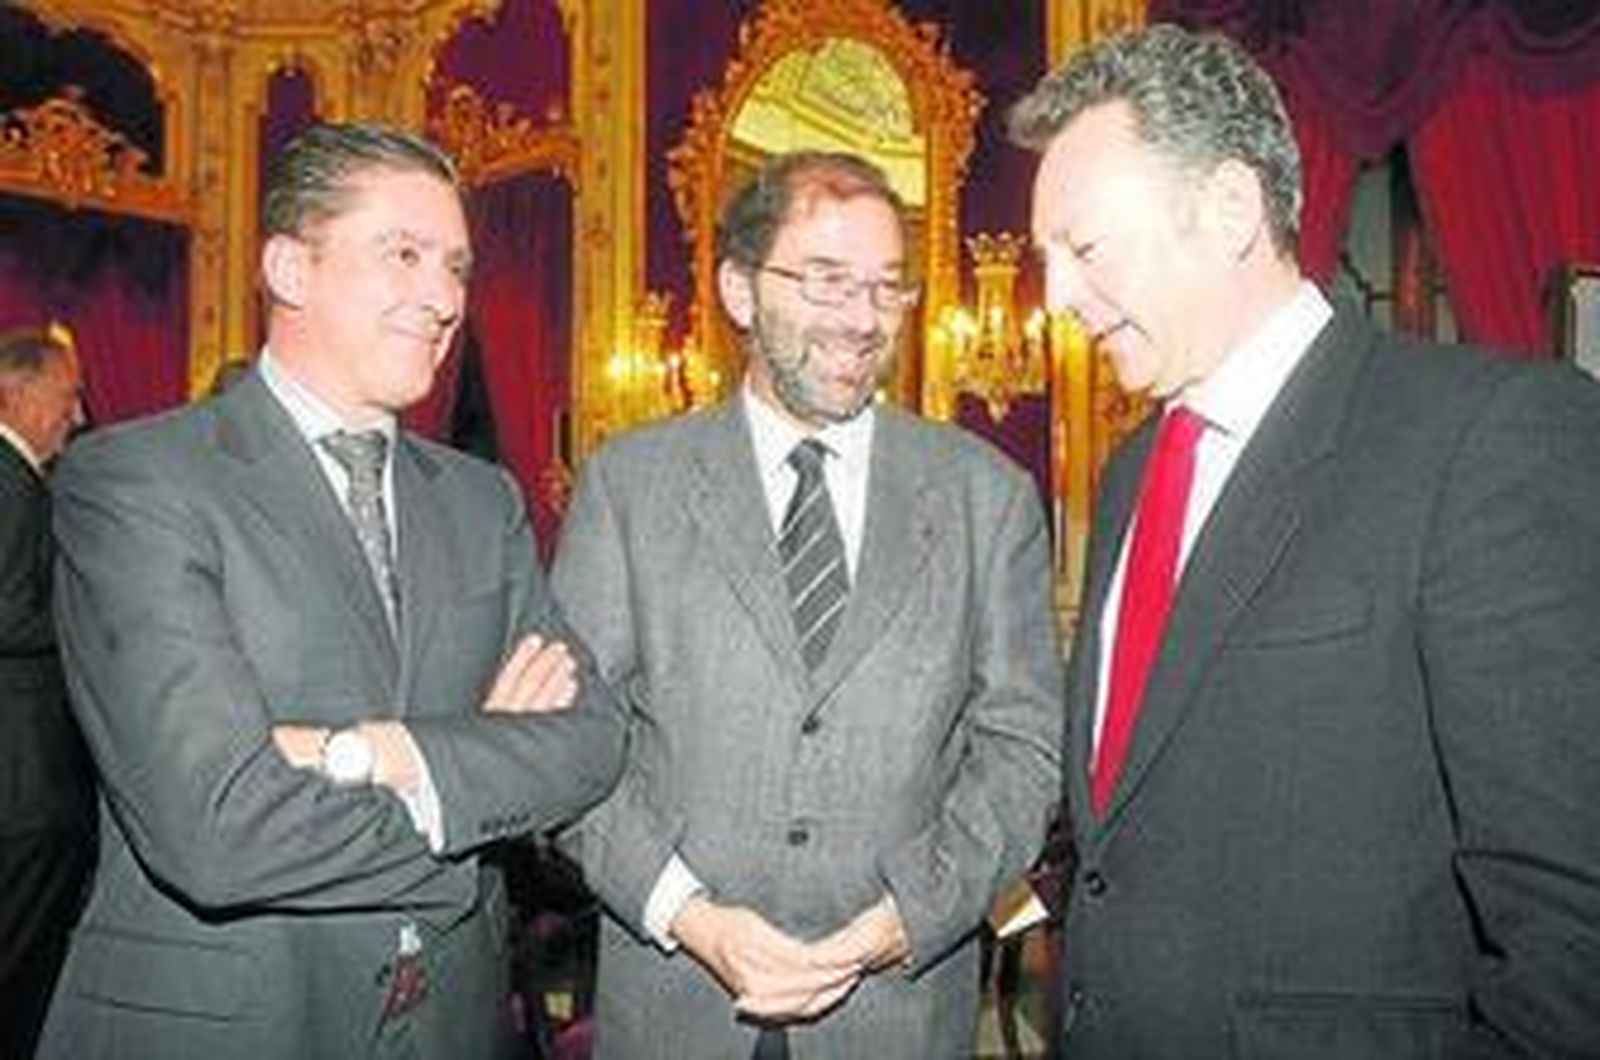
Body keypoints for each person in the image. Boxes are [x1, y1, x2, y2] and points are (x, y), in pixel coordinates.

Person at [1009, 23, 1600, 1059]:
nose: (1054, 298)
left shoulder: (1491, 435)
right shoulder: (1130, 473)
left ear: (1231, 208)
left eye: (1084, 248)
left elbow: (1571, 926)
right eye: (1046, 260)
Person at [37, 123, 625, 1059]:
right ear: (289, 267)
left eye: (458, 268)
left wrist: (362, 753)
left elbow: (594, 740)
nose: (443, 299)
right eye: (404, 254)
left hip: (457, 1023)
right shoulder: (137, 480)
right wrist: (479, 781)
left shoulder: (482, 500)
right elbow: (219, 829)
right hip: (227, 1026)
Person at [551, 150, 1064, 1059]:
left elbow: (1022, 753)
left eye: (887, 287)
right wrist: (690, 917)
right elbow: (575, 747)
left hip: (897, 1015)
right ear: (739, 292)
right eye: (827, 282)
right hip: (674, 1008)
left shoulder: (990, 497)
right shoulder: (629, 488)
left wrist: (906, 919)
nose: (863, 319)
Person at [0, 326, 94, 1059]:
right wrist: (90, 619)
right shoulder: (8, 479)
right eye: (67, 397)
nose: (79, 415)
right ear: (20, 392)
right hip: (23, 778)